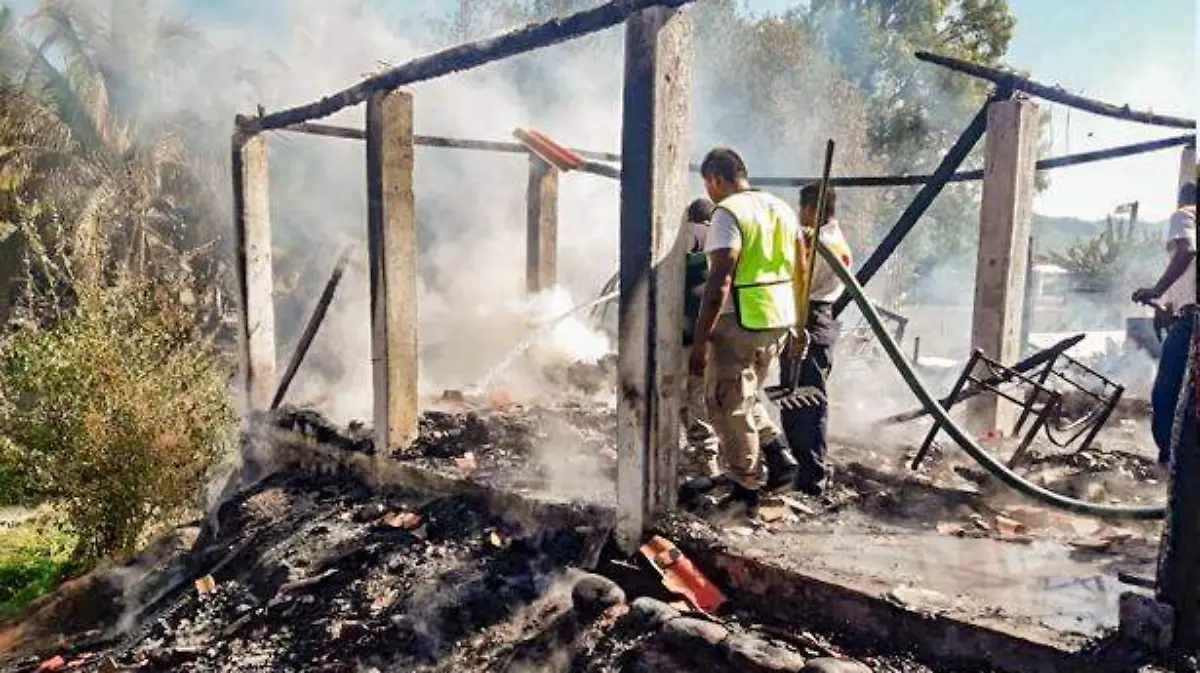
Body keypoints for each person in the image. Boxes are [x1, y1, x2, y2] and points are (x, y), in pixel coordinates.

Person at [690, 147, 802, 515]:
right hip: (777, 319)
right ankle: (779, 457)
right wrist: (798, 324)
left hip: (738, 322)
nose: (708, 192)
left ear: (715, 179)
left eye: (708, 184)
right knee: (747, 396)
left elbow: (720, 278)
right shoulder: (781, 209)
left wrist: (702, 338)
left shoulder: (728, 213)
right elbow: (801, 268)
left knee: (726, 405)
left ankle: (745, 488)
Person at [786, 182, 854, 496]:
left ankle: (812, 477)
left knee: (807, 402)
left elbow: (800, 280)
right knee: (795, 399)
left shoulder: (822, 242)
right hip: (814, 317)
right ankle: (803, 470)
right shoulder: (828, 239)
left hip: (810, 318)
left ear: (811, 209)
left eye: (802, 209)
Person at [1133, 181, 1197, 464]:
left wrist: (1157, 290)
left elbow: (1187, 251)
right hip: (1187, 316)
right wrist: (1166, 307)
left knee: (1166, 394)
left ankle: (1169, 462)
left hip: (1193, 322)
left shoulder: (1185, 215)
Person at [681, 198, 721, 478]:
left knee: (692, 397)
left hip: (691, 337)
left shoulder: (690, 236)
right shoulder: (725, 241)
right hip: (722, 332)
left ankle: (706, 462)